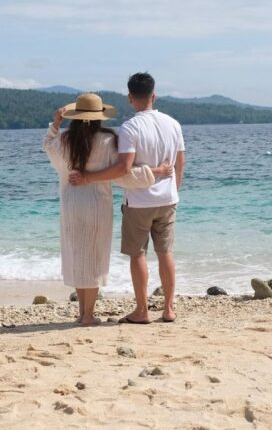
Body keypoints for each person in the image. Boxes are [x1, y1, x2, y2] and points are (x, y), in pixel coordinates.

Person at [43, 93, 171, 326]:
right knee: (93, 258)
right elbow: (123, 172)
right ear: (99, 117)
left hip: (71, 206)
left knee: (78, 256)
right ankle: (88, 315)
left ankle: (82, 313)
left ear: (76, 116)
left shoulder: (64, 141)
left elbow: (47, 147)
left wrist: (56, 124)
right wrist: (157, 172)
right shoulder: (108, 140)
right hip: (97, 206)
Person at [69, 73, 185, 324]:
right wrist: (173, 191)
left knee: (138, 254)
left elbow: (123, 168)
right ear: (154, 96)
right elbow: (180, 163)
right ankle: (168, 309)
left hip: (139, 201)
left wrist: (88, 177)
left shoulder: (130, 127)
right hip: (168, 199)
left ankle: (142, 311)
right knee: (165, 252)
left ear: (130, 98)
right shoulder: (173, 124)